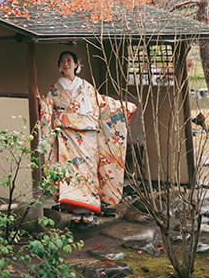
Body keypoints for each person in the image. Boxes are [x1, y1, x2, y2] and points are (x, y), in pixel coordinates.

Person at [38, 50, 136, 224]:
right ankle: (75, 209)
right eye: (62, 61)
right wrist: (40, 103)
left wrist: (122, 107)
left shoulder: (87, 87)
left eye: (69, 60)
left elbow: (102, 104)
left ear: (76, 65)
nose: (66, 64)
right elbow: (47, 108)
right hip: (67, 136)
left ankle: (89, 209)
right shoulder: (55, 89)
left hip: (88, 136)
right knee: (71, 173)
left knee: (89, 172)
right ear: (59, 67)